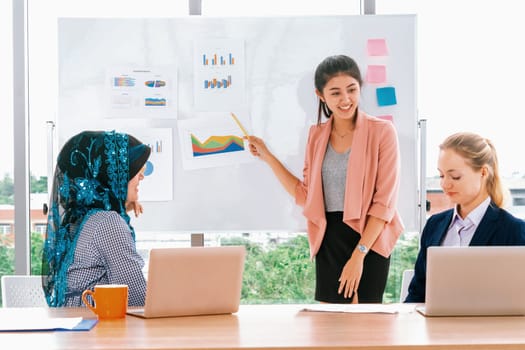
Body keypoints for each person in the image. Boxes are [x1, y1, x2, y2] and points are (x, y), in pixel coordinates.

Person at [247, 55, 403, 303]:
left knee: (364, 328)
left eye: (352, 90)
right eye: (336, 93)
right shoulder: (316, 135)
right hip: (329, 238)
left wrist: (359, 255)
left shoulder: (382, 132)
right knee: (329, 328)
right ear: (321, 95)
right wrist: (268, 157)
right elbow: (305, 194)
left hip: (368, 239)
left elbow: (384, 203)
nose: (346, 99)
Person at [405, 132, 525, 303]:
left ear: (483, 173)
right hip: (435, 329)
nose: (445, 184)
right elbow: (417, 294)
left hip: (491, 328)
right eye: (441, 175)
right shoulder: (434, 225)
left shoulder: (514, 230)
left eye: (455, 176)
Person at [42, 130, 151, 307]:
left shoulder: (80, 219)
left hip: (77, 327)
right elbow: (137, 297)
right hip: (96, 329)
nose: (141, 177)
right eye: (132, 169)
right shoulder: (107, 223)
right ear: (110, 176)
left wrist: (120, 208)